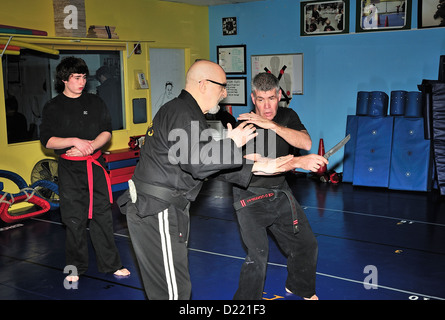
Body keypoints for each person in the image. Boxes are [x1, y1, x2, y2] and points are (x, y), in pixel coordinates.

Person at [119, 60, 293, 300]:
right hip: (159, 209)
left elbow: (203, 162)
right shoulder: (182, 112)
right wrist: (233, 143)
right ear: (203, 84)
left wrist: (254, 165)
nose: (224, 93)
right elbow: (198, 163)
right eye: (221, 86)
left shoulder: (183, 111)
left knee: (171, 288)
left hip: (162, 208)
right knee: (173, 293)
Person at [232, 72, 328, 300]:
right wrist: (295, 162)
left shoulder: (287, 115)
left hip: (280, 192)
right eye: (261, 99)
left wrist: (272, 125)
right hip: (250, 196)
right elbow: (250, 163)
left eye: (272, 99)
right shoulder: (243, 124)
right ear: (253, 98)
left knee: (306, 244)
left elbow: (305, 142)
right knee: (258, 255)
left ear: (279, 96)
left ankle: (299, 287)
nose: (267, 106)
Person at [39, 57, 130, 283]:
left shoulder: (95, 102)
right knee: (73, 219)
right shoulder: (53, 106)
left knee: (102, 217)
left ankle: (112, 264)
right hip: (69, 170)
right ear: (64, 79)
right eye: (76, 78)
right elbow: (48, 141)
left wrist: (88, 147)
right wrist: (74, 141)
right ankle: (75, 268)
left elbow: (106, 132)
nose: (82, 82)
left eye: (83, 78)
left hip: (95, 166)